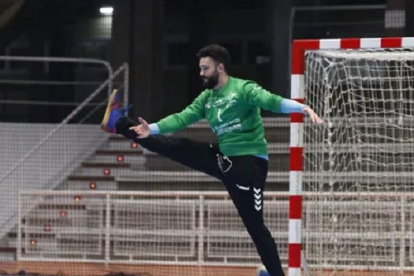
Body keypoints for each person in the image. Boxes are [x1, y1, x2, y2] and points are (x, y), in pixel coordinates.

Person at [101, 44, 323, 276]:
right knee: (180, 146)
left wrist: (302, 107)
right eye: (200, 68)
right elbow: (182, 117)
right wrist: (152, 128)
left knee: (256, 229)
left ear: (220, 67)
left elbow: (271, 101)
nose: (201, 73)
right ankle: (118, 123)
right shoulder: (207, 98)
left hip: (248, 166)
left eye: (205, 68)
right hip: (224, 157)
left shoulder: (243, 89)